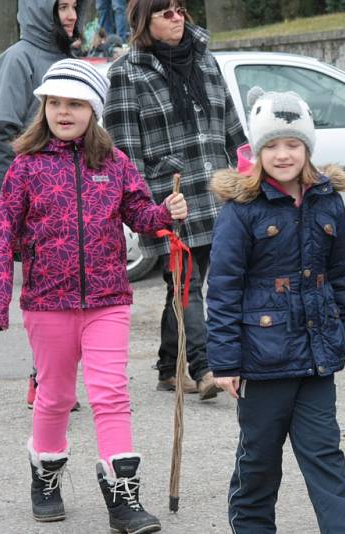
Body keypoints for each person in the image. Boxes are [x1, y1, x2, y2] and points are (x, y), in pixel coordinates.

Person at [0, 59, 175, 533]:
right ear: (43, 107)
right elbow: (1, 235)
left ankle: (122, 495)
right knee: (56, 396)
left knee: (111, 393)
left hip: (109, 299)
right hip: (48, 303)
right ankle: (45, 477)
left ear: (94, 110)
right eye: (55, 103)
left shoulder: (114, 163)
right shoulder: (26, 167)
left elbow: (141, 216)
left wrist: (167, 212)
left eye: (75, 103)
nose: (63, 112)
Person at [206, 88, 345, 534]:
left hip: (318, 356)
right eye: (272, 145)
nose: (283, 155)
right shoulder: (241, 210)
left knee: (325, 456)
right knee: (259, 461)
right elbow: (223, 289)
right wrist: (224, 360)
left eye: (293, 144)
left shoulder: (327, 200)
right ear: (258, 151)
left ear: (308, 148)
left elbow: (343, 273)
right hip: (261, 361)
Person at [104, 0, 248, 399]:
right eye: (165, 12)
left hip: (216, 193)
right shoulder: (126, 73)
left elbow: (231, 124)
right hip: (170, 200)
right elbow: (123, 151)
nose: (177, 18)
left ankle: (170, 368)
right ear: (142, 22)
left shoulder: (205, 60)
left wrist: (251, 176)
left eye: (181, 9)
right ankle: (204, 367)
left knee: (188, 284)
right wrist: (143, 210)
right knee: (187, 282)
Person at [0, 0, 84, 409]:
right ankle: (44, 381)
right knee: (44, 299)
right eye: (62, 6)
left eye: (76, 6)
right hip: (32, 202)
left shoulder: (67, 57)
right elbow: (4, 132)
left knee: (73, 296)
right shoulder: (18, 58)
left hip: (71, 200)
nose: (71, 15)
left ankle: (53, 379)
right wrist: (19, 203)